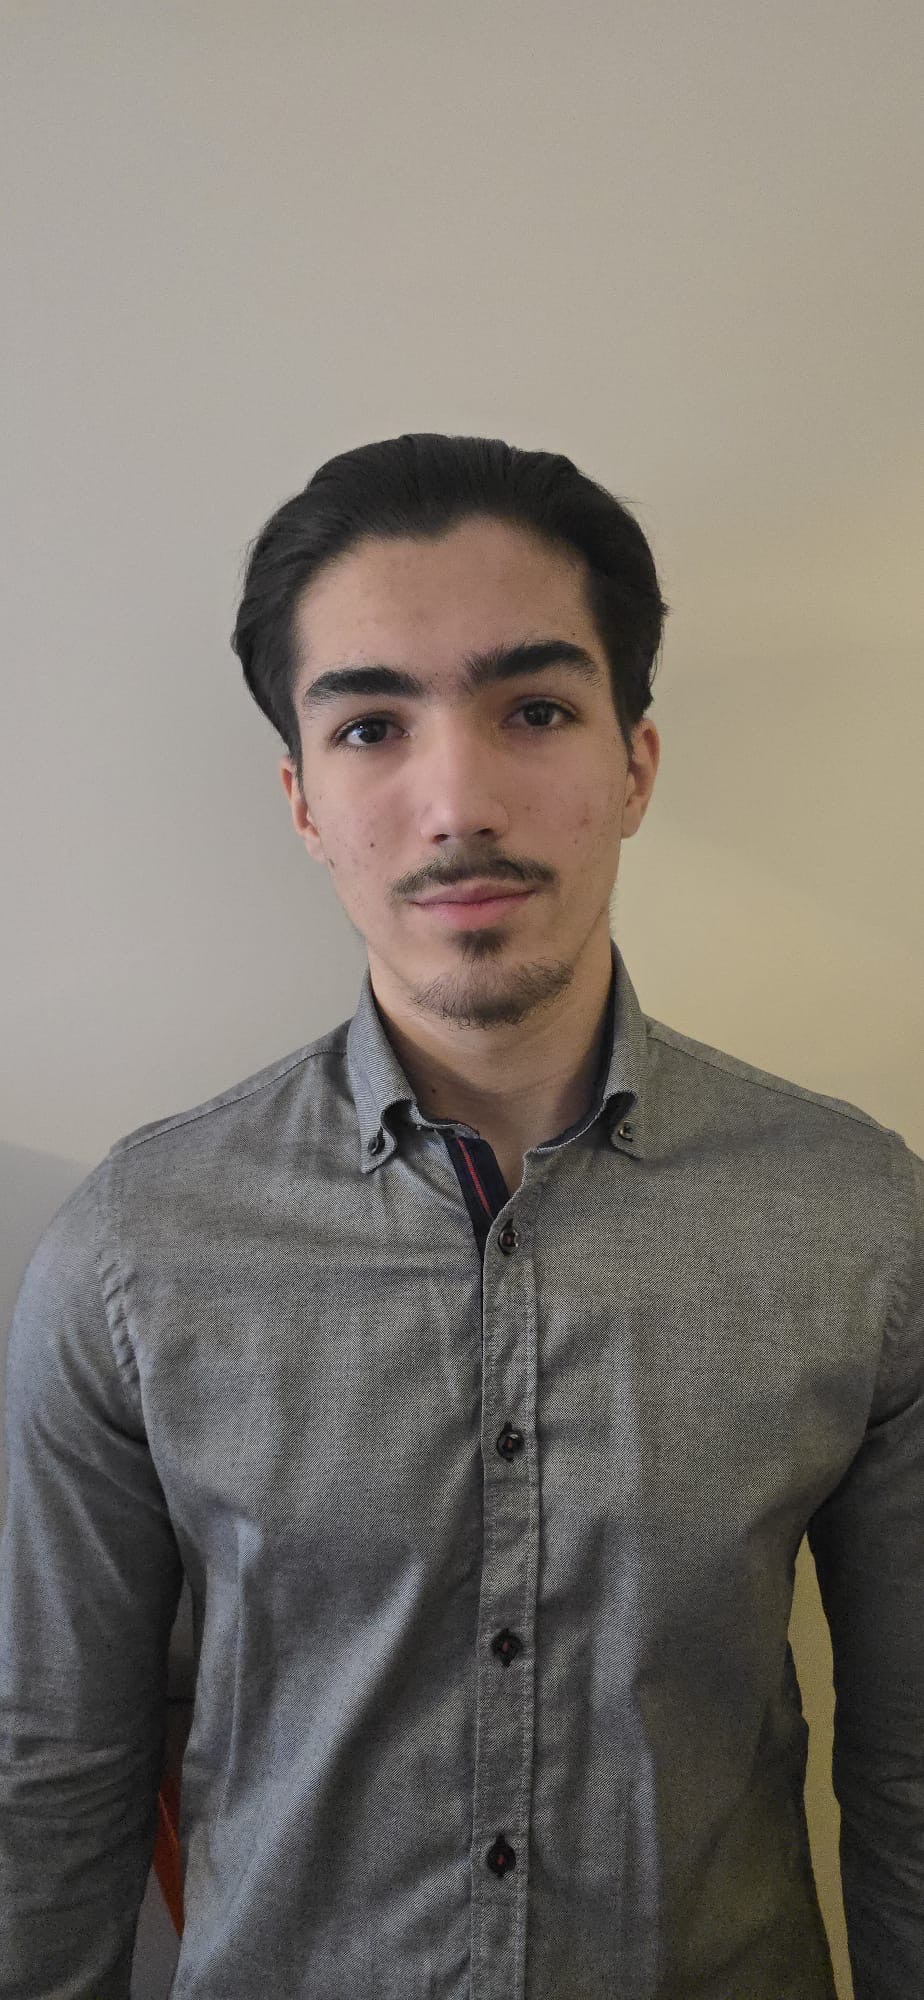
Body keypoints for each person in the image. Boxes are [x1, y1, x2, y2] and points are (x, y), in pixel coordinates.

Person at [0, 432, 921, 2000]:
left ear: (635, 763)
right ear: (302, 799)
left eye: (536, 711)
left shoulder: (856, 1222)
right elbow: (51, 1782)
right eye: (371, 726)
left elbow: (909, 1776)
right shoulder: (136, 1247)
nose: (459, 801)